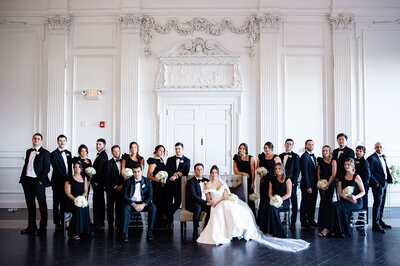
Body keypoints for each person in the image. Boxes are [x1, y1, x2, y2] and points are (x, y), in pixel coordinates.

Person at [197, 165, 309, 252]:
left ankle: (240, 230)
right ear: (210, 174)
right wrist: (212, 202)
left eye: (216, 172)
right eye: (212, 172)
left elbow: (225, 196)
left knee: (234, 207)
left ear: (218, 174)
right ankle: (231, 232)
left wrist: (219, 201)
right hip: (215, 204)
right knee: (224, 207)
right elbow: (208, 198)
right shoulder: (207, 185)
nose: (214, 174)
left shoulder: (222, 183)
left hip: (222, 201)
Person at [318, 158, 365, 238]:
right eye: (345, 164)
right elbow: (340, 193)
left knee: (337, 208)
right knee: (331, 205)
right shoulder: (341, 178)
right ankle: (331, 229)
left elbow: (363, 192)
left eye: (348, 165)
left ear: (353, 166)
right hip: (345, 200)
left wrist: (354, 197)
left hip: (356, 202)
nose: (346, 166)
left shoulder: (356, 177)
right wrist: (348, 199)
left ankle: (330, 230)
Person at [19, 133, 51, 236]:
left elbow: (47, 168)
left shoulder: (45, 153)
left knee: (42, 204)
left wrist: (40, 181)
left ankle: (42, 228)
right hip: (27, 181)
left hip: (38, 182)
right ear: (32, 140)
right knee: (30, 205)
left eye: (38, 138)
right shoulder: (29, 151)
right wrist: (22, 178)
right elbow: (26, 165)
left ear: (41, 140)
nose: (36, 140)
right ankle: (31, 227)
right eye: (35, 138)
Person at [122, 164, 156, 242]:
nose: (136, 174)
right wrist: (133, 204)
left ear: (142, 171)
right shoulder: (128, 181)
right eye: (134, 172)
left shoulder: (147, 181)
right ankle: (124, 233)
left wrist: (143, 204)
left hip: (143, 202)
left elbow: (150, 196)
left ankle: (150, 232)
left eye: (138, 171)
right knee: (125, 208)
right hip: (131, 203)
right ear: (132, 172)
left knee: (153, 207)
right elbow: (124, 196)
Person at [259, 163, 292, 238]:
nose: (277, 170)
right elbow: (270, 193)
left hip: (284, 201)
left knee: (273, 209)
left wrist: (279, 199)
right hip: (274, 199)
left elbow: (289, 194)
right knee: (266, 206)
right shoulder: (272, 179)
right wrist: (273, 199)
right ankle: (267, 229)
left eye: (279, 168)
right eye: (276, 169)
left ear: (283, 169)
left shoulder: (287, 180)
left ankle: (279, 230)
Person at [368, 142, 393, 233]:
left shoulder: (383, 157)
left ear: (383, 148)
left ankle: (380, 221)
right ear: (375, 148)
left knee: (382, 203)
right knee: (378, 204)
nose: (379, 148)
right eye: (377, 147)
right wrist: (376, 183)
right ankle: (375, 225)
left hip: (385, 183)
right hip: (378, 184)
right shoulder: (372, 158)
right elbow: (369, 173)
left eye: (380, 147)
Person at [165, 142, 190, 229]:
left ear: (182, 149)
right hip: (170, 184)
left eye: (179, 149)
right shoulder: (170, 159)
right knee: (168, 203)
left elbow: (185, 172)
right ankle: (169, 222)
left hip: (180, 185)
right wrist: (175, 173)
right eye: (176, 149)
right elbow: (167, 170)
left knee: (177, 203)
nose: (177, 150)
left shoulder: (187, 160)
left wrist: (175, 176)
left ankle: (167, 215)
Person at [64, 162, 92, 240]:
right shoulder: (69, 178)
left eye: (78, 167)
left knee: (85, 207)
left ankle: (85, 231)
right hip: (71, 200)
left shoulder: (84, 178)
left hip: (81, 199)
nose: (76, 169)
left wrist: (81, 199)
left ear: (81, 169)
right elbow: (67, 192)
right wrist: (76, 200)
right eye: (75, 167)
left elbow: (86, 191)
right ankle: (75, 232)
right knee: (78, 208)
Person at [50, 134, 72, 232]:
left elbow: (70, 168)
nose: (62, 142)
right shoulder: (53, 154)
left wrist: (71, 179)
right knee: (56, 202)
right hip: (57, 181)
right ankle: (56, 221)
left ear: (66, 142)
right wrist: (66, 178)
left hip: (67, 181)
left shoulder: (68, 153)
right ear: (57, 142)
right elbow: (57, 168)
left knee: (64, 201)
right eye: (60, 140)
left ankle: (63, 220)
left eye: (64, 141)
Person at [279, 138, 300, 230]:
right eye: (287, 144)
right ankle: (284, 219)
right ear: (284, 145)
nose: (288, 145)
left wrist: (294, 183)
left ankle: (293, 221)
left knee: (294, 201)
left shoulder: (296, 156)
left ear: (292, 146)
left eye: (290, 144)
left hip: (292, 182)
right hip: (282, 182)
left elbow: (297, 170)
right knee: (283, 200)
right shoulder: (280, 155)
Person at [257, 142, 281, 220]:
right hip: (263, 181)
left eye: (268, 148)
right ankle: (261, 220)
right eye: (265, 148)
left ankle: (270, 220)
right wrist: (259, 173)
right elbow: (257, 168)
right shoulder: (261, 157)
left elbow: (280, 170)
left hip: (272, 181)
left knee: (270, 199)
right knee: (263, 199)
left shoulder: (276, 157)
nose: (266, 149)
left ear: (271, 148)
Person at [186, 163, 210, 241]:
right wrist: (204, 202)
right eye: (197, 169)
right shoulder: (191, 182)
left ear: (203, 171)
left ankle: (206, 230)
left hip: (204, 202)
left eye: (201, 169)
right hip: (192, 203)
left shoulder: (207, 181)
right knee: (198, 208)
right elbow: (193, 195)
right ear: (194, 171)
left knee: (211, 208)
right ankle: (195, 231)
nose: (199, 171)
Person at [147, 145, 167, 228]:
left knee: (162, 202)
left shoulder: (161, 160)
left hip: (162, 185)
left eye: (163, 151)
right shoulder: (153, 161)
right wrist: (157, 180)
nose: (161, 152)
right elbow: (149, 175)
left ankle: (161, 221)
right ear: (156, 151)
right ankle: (156, 222)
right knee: (157, 202)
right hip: (156, 185)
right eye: (160, 150)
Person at [104, 145, 124, 232]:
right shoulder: (108, 163)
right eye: (115, 151)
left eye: (118, 151)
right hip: (111, 189)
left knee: (119, 207)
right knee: (110, 207)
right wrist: (115, 186)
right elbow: (107, 177)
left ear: (120, 151)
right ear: (112, 152)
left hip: (122, 189)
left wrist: (122, 186)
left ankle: (118, 223)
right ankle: (110, 224)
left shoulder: (123, 162)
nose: (117, 153)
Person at [316, 145, 336, 230]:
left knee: (328, 202)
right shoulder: (320, 160)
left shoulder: (333, 161)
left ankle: (328, 222)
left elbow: (333, 174)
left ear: (329, 151)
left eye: (326, 151)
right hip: (322, 184)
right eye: (323, 151)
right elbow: (318, 172)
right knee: (322, 201)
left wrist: (327, 184)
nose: (324, 152)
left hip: (330, 184)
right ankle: (321, 222)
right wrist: (320, 183)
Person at [233, 143, 256, 215]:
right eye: (240, 148)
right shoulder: (236, 158)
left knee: (250, 199)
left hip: (249, 181)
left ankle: (252, 217)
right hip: (240, 180)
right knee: (241, 198)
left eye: (243, 148)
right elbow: (235, 171)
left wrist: (252, 183)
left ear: (246, 150)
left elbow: (253, 172)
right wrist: (244, 173)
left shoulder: (251, 158)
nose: (241, 150)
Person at [300, 139, 318, 228]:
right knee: (305, 203)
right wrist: (308, 186)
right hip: (307, 185)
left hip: (315, 184)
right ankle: (304, 221)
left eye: (312, 144)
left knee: (312, 203)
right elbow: (304, 172)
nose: (311, 146)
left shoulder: (314, 156)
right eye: (309, 144)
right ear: (305, 146)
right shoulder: (304, 157)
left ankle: (311, 220)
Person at [92, 138, 108, 230]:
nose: (98, 146)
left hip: (99, 183)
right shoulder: (100, 155)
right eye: (97, 144)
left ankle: (98, 222)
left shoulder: (103, 155)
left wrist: (96, 181)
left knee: (98, 202)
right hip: (99, 182)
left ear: (104, 146)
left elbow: (101, 170)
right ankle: (99, 221)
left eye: (100, 144)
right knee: (99, 202)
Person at [355, 145, 371, 222]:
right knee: (358, 202)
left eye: (360, 151)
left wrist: (361, 185)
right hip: (356, 186)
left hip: (363, 186)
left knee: (364, 202)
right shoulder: (353, 160)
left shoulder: (365, 162)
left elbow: (367, 176)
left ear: (364, 153)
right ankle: (358, 219)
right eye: (357, 150)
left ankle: (363, 220)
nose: (358, 152)